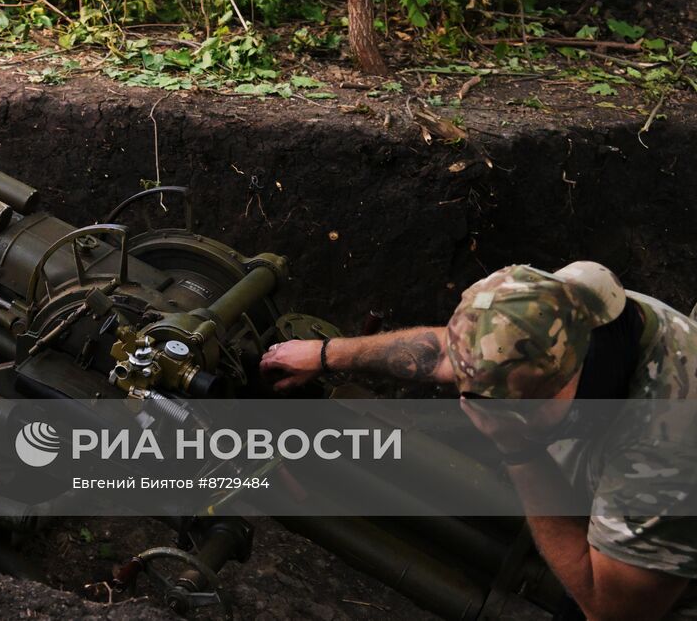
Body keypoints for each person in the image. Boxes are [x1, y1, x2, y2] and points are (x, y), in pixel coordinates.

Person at [260, 261, 697, 621]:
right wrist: (328, 354)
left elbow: (609, 609)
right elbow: (452, 353)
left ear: (561, 380)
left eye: (510, 403)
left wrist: (519, 449)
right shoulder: (567, 306)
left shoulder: (666, 455)